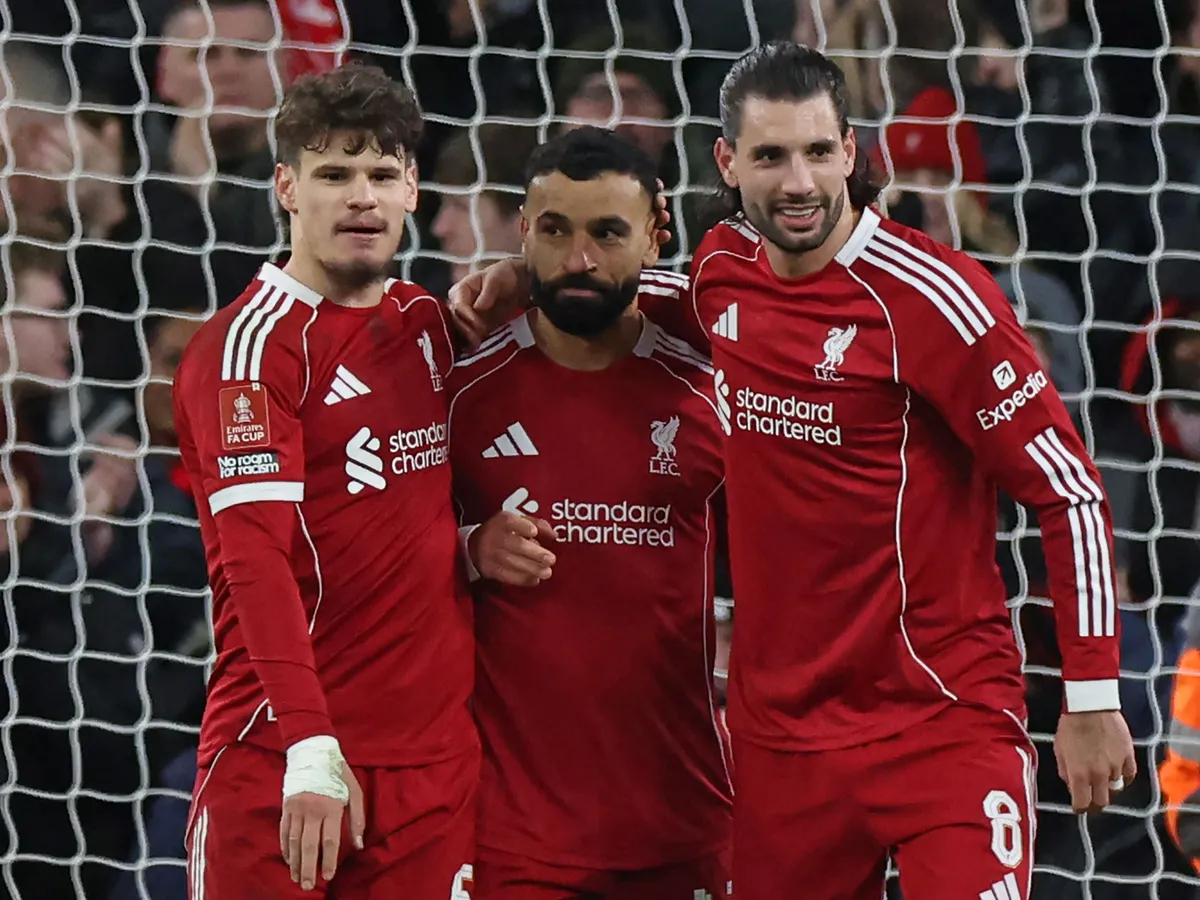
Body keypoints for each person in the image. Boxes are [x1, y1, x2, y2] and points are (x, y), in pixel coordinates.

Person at [448, 43, 1136, 900]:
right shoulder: (724, 270)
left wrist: (1093, 692)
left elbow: (1065, 490)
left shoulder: (935, 297)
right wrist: (538, 276)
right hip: (782, 743)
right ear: (729, 163)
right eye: (771, 156)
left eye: (817, 151)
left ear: (851, 151)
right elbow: (666, 294)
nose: (799, 182)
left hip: (940, 720)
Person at [172, 63, 482, 898]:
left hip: (430, 773)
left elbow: (408, 506)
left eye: (382, 174)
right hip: (283, 757)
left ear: (414, 187)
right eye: (334, 174)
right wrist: (309, 745)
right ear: (286, 187)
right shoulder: (249, 350)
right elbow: (254, 561)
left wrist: (477, 546)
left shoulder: (426, 325)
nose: (361, 198)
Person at [449, 126, 732, 900]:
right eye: (554, 231)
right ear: (522, 234)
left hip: (685, 821)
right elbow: (369, 551)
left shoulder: (710, 396)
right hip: (516, 840)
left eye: (607, 232)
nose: (578, 260)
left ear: (655, 235)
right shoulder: (459, 392)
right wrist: (469, 546)